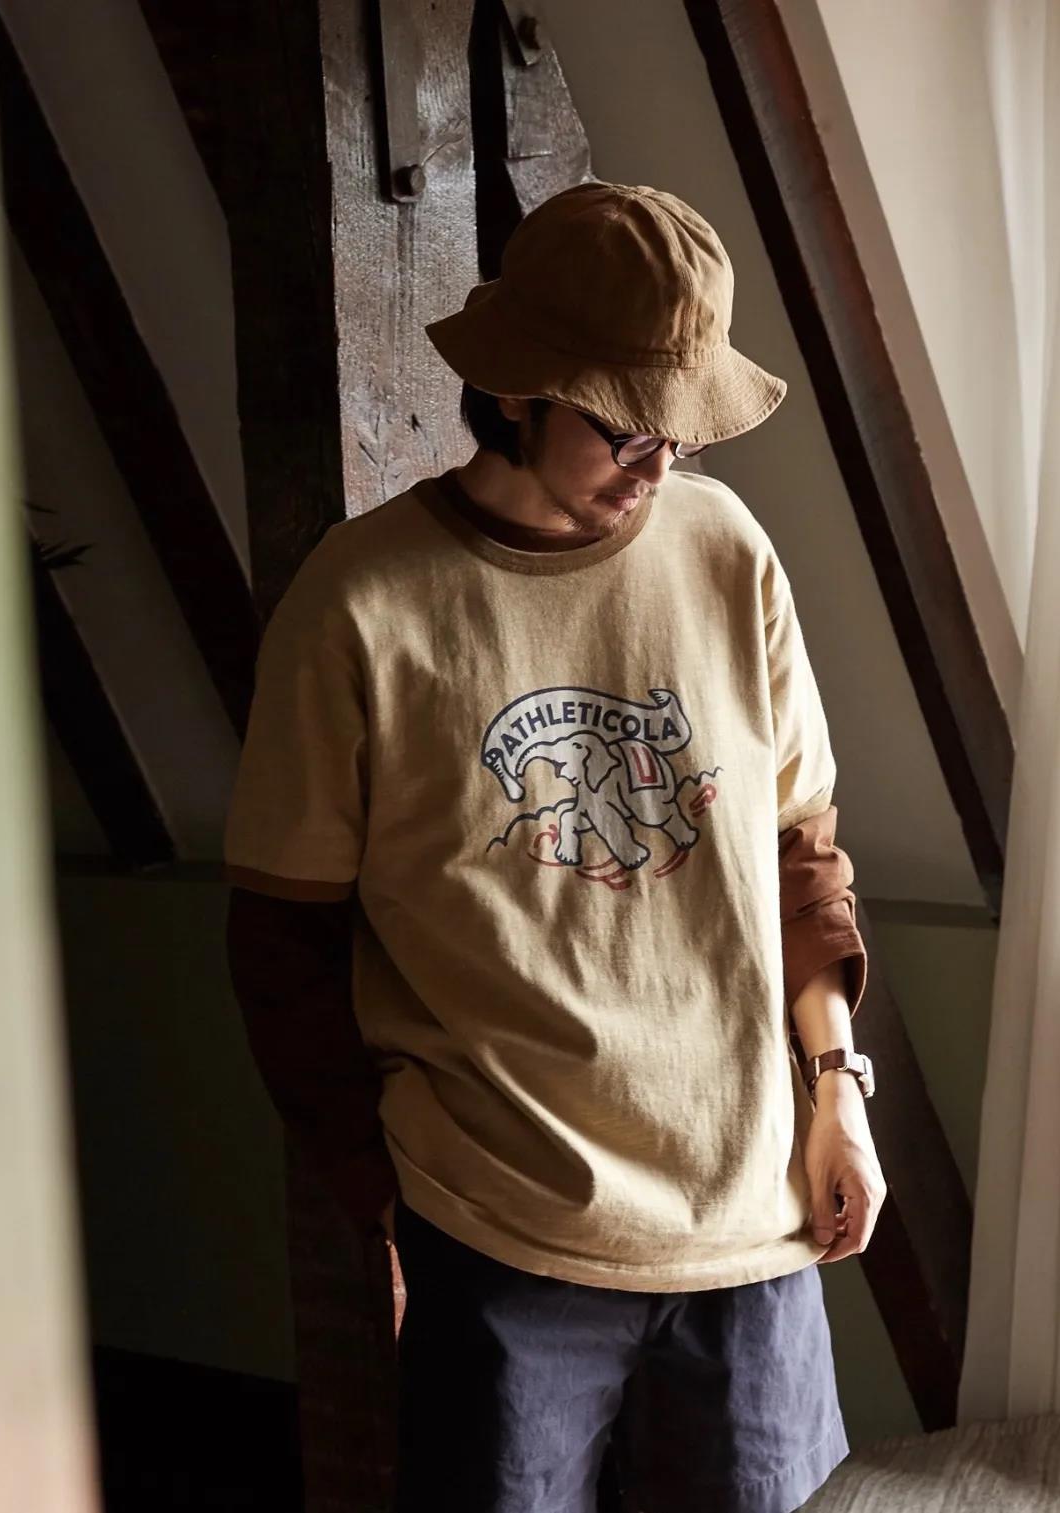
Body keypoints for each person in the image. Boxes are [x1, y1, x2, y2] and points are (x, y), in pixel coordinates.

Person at [223, 180, 886, 1513]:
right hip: (499, 1234)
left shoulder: (726, 549)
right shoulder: (361, 604)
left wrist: (837, 1089)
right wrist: (377, 1201)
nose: (658, 465)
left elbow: (800, 851)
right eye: (625, 427)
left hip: (747, 1214)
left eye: (679, 431)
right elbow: (282, 940)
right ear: (519, 391)